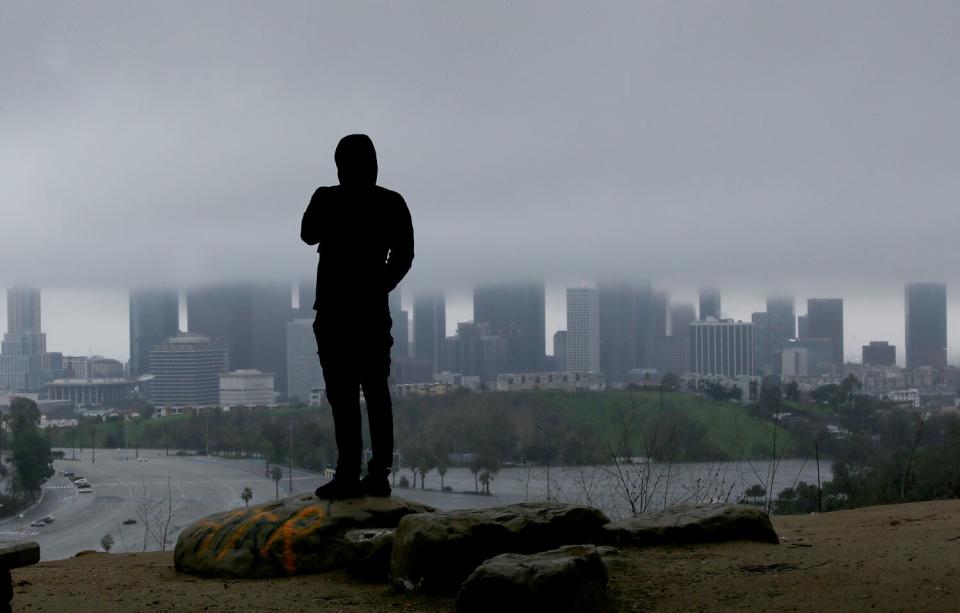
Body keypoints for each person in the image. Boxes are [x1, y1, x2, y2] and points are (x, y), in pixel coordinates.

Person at [301, 134, 414, 500]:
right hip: (366, 313)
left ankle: (352, 472)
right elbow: (404, 255)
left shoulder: (327, 198)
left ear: (339, 166)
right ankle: (375, 474)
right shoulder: (391, 203)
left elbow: (307, 234)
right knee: (373, 394)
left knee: (346, 396)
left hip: (337, 312)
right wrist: (380, 285)